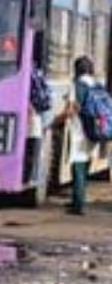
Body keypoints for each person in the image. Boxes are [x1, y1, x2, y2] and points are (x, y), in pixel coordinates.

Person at [55, 56, 99, 215]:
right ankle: (79, 199)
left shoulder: (77, 85)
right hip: (94, 131)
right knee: (85, 165)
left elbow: (72, 109)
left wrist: (56, 120)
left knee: (78, 167)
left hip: (79, 131)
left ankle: (78, 205)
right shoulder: (96, 84)